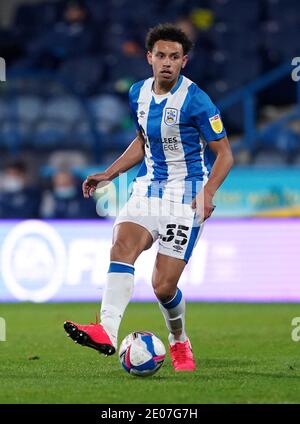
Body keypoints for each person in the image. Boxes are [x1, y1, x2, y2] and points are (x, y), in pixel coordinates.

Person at [64, 23, 234, 371]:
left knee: (162, 286)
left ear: (184, 61)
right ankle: (107, 331)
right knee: (121, 247)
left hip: (185, 198)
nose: (167, 62)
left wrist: (208, 192)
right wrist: (109, 173)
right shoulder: (138, 93)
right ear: (149, 58)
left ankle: (178, 340)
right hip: (146, 190)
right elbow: (142, 142)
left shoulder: (197, 100)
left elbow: (225, 154)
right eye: (161, 56)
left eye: (174, 56)